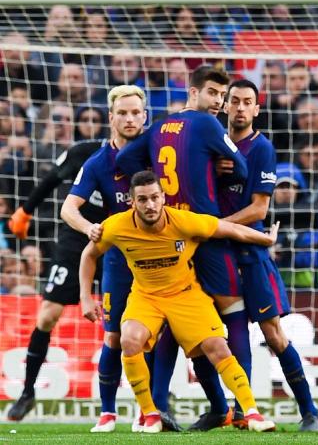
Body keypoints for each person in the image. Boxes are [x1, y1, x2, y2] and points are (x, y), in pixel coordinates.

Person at [78, 170, 278, 434]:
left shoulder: (183, 221)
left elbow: (228, 229)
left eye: (154, 198)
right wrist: (84, 298)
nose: (149, 205)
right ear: (132, 202)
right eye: (142, 200)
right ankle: (150, 415)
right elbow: (88, 255)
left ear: (163, 198)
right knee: (128, 339)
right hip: (146, 296)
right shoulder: (116, 226)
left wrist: (266, 239)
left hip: (186, 294)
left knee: (218, 347)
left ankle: (252, 412)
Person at [116, 65, 250, 431]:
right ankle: (239, 409)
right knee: (231, 312)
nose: (219, 103)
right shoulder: (208, 126)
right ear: (193, 92)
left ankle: (162, 406)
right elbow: (240, 168)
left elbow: (125, 161)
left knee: (172, 324)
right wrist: (221, 170)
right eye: (213, 94)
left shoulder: (159, 126)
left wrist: (151, 183)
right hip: (202, 233)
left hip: (165, 231)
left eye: (222, 97)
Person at [218, 79, 318, 431]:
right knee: (230, 336)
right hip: (217, 255)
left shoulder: (261, 148)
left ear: (257, 109)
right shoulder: (213, 144)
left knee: (274, 334)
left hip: (248, 252)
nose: (241, 107)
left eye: (248, 102)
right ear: (225, 106)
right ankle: (237, 410)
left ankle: (309, 411)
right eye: (235, 101)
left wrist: (213, 226)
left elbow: (259, 210)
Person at [60, 85, 151, 432]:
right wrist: (90, 228)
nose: (130, 119)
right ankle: (108, 412)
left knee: (154, 335)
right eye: (123, 113)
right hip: (117, 261)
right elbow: (69, 208)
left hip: (160, 258)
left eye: (136, 113)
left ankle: (151, 409)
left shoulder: (157, 153)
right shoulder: (98, 161)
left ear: (145, 117)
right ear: (111, 117)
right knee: (113, 337)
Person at [5, 121, 107, 423]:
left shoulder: (143, 155)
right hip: (76, 237)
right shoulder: (85, 152)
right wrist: (25, 211)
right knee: (48, 314)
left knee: (132, 318)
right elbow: (51, 179)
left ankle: (158, 393)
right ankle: (27, 392)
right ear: (112, 118)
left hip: (117, 242)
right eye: (120, 114)